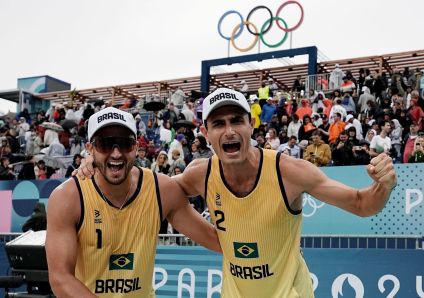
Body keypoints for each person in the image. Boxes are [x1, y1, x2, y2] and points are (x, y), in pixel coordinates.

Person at [76, 88, 397, 298]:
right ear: (206, 134)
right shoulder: (200, 175)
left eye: (236, 120)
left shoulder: (289, 172)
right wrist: (98, 164)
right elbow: (148, 188)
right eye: (218, 123)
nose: (228, 130)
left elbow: (361, 204)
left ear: (250, 126)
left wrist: (383, 186)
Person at [46, 107, 221, 297]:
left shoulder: (161, 189)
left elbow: (215, 240)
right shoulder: (68, 197)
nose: (116, 153)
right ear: (90, 149)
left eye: (124, 144)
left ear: (136, 147)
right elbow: (60, 278)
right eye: (105, 144)